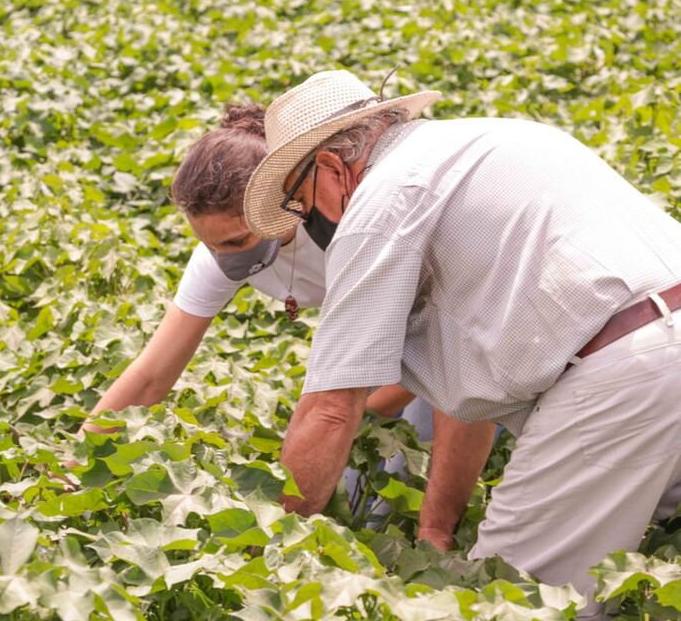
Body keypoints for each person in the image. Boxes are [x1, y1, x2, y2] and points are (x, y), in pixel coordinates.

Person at [238, 69, 681, 618]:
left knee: (512, 602)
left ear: (330, 166)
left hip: (623, 374)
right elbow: (470, 393)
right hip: (656, 346)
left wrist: (264, 558)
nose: (311, 222)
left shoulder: (380, 202)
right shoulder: (499, 138)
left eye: (303, 204)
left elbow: (331, 409)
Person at [78, 104, 435, 509]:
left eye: (235, 241)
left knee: (404, 482)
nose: (222, 256)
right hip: (376, 343)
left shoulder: (347, 227)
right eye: (208, 242)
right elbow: (150, 375)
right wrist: (76, 462)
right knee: (341, 472)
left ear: (278, 201)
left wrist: (343, 419)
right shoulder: (217, 254)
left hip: (443, 328)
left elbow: (423, 341)